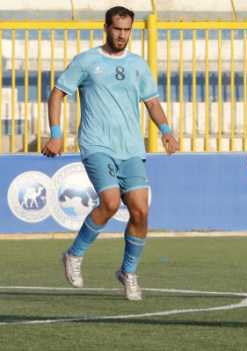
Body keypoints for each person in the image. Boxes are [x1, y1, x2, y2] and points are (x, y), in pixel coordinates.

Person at [42, 6, 178, 301]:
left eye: (127, 29)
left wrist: (166, 130)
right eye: (117, 28)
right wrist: (55, 135)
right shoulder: (87, 61)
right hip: (96, 145)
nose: (122, 35)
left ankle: (128, 272)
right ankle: (74, 254)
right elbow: (56, 94)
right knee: (111, 202)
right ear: (106, 28)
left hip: (130, 148)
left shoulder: (138, 65)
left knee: (141, 212)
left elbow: (152, 102)